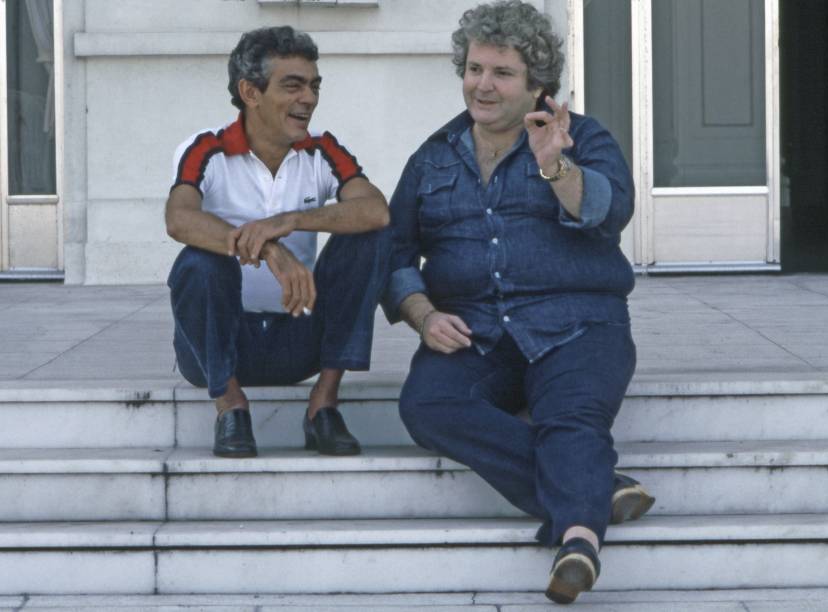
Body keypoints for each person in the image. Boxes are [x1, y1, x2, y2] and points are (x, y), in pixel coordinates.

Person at [381, 1, 653, 604]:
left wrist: (555, 165)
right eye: (475, 68)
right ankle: (594, 487)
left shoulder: (582, 138)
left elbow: (610, 215)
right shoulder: (431, 158)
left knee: (570, 418)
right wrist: (423, 314)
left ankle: (578, 542)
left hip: (578, 324)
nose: (483, 85)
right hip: (476, 333)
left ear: (537, 83)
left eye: (502, 73)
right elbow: (394, 253)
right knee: (426, 404)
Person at [165, 26, 389, 459]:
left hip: (296, 340)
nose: (309, 98)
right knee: (198, 263)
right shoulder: (206, 149)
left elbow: (376, 210)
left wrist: (287, 221)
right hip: (216, 344)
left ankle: (323, 406)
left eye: (313, 86)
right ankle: (230, 406)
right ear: (250, 92)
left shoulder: (321, 150)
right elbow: (178, 219)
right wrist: (268, 247)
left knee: (370, 239)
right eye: (293, 85)